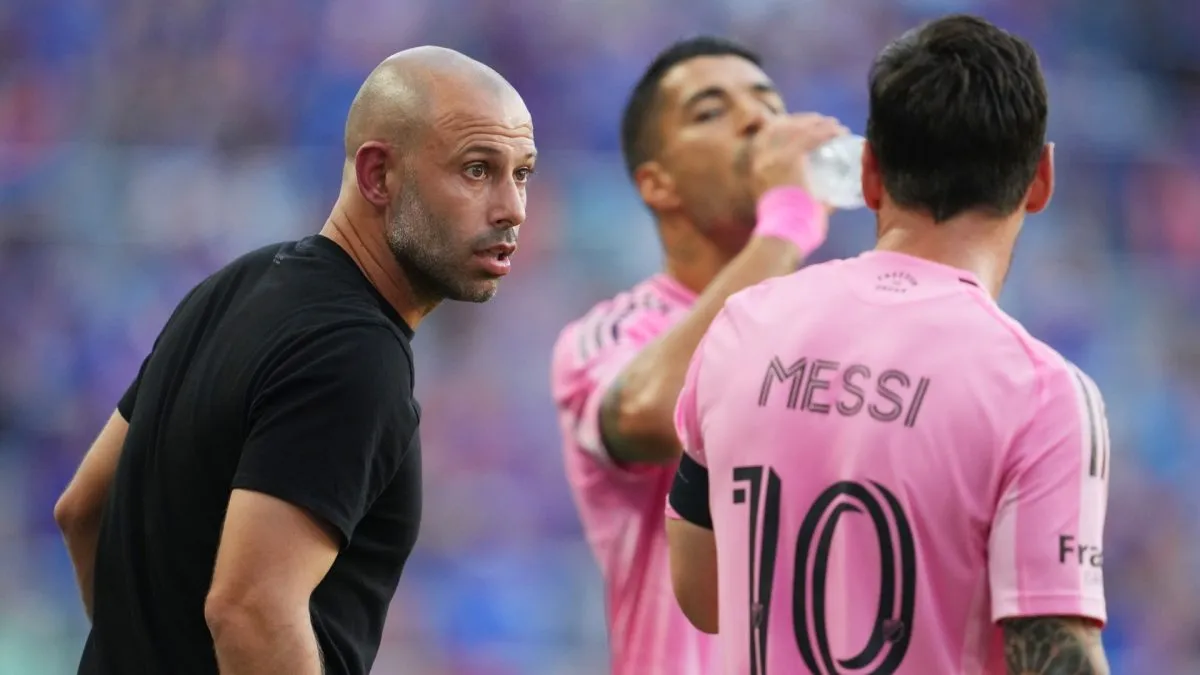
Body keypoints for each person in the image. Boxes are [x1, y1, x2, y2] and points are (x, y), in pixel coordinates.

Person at [52, 46, 536, 675]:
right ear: (377, 176)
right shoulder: (355, 355)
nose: (512, 209)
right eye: (476, 170)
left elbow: (82, 508)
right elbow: (252, 610)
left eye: (521, 173)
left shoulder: (231, 286)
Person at [666, 14, 1112, 675]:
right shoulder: (1040, 393)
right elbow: (1055, 658)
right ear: (1040, 179)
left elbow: (703, 592)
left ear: (870, 173)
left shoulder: (742, 325)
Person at [550, 36, 847, 674]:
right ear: (657, 184)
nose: (757, 120)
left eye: (768, 102)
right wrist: (787, 224)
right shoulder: (611, 335)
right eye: (710, 111)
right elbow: (650, 412)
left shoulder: (844, 332)